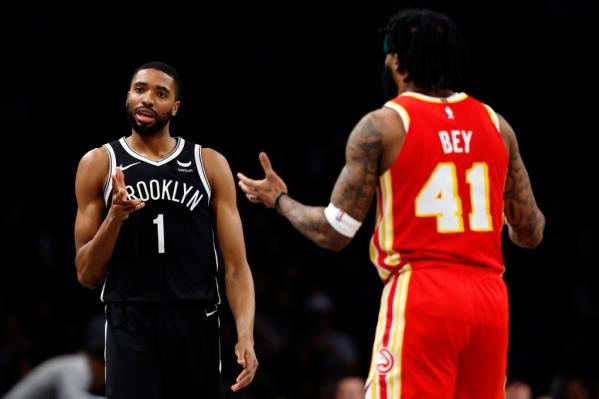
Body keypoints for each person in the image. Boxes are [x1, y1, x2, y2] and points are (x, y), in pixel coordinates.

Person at [237, 8, 544, 399]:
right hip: (490, 300)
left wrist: (279, 200)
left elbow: (334, 232)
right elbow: (530, 233)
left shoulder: (385, 124)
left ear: (397, 60)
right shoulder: (497, 124)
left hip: (424, 293)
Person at [74, 61, 258, 399]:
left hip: (195, 318)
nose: (147, 100)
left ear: (175, 107)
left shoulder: (209, 164)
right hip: (129, 318)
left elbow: (235, 266)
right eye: (139, 89)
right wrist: (115, 217)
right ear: (128, 97)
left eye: (160, 94)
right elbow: (86, 273)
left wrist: (245, 333)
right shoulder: (99, 163)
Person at [1, 315, 106, 399]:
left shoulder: (77, 364)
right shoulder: (77, 367)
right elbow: (70, 397)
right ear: (100, 364)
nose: (104, 382)